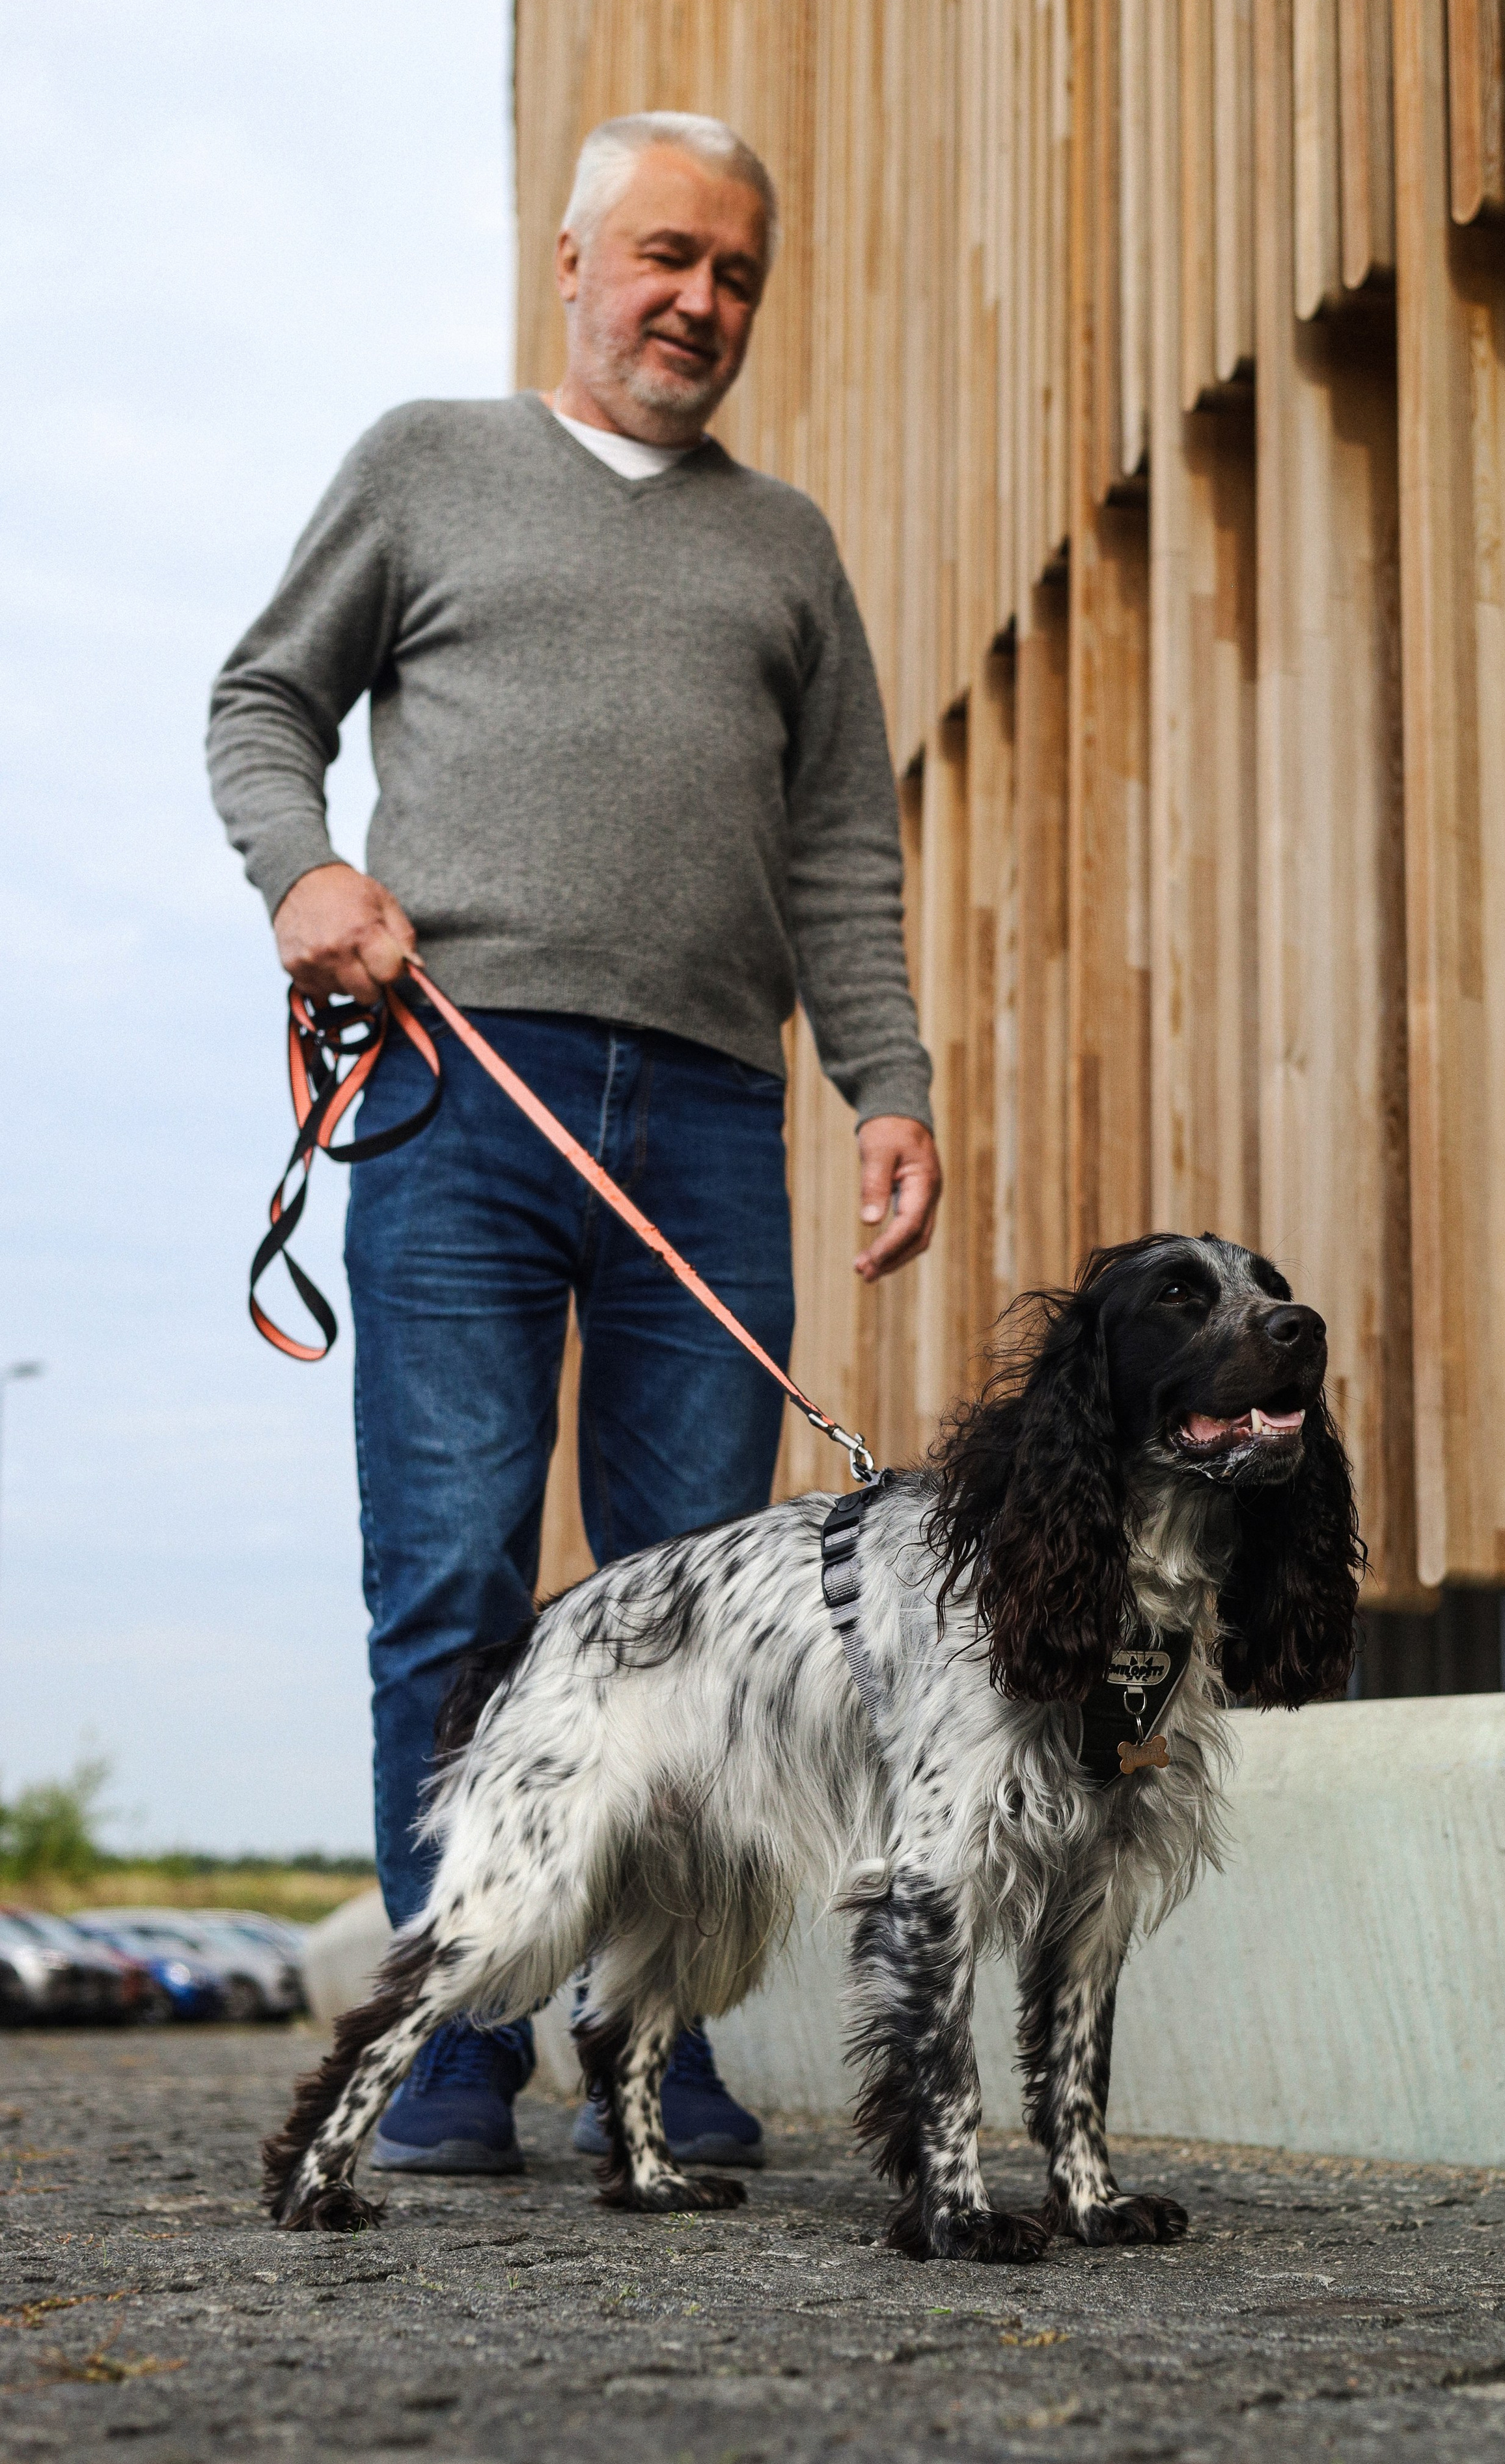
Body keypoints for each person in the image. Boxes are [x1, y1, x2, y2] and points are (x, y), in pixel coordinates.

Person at [208, 113, 939, 2177]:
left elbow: (841, 847)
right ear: (573, 263)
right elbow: (263, 703)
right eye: (666, 257)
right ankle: (453, 2039)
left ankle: (659, 2045)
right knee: (449, 1575)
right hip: (460, 1093)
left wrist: (886, 1081)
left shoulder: (786, 546)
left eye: (735, 273)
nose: (699, 300)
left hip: (709, 1112)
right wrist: (306, 877)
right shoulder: (426, 463)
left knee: (696, 1611)